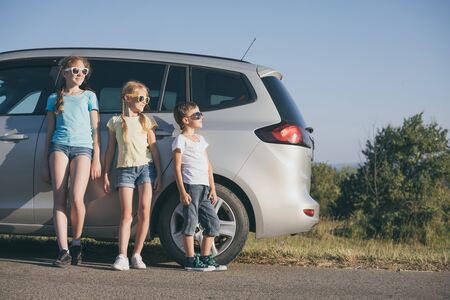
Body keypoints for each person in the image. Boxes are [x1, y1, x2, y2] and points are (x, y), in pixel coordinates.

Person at [42, 56, 102, 267]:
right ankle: (63, 250)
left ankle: (76, 242)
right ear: (65, 72)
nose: (79, 74)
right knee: (59, 198)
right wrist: (44, 163)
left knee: (77, 197)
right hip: (58, 147)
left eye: (84, 71)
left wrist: (97, 159)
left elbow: (96, 130)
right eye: (75, 70)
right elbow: (49, 132)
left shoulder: (89, 96)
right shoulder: (54, 98)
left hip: (83, 148)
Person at [103, 81, 162, 271]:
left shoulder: (146, 120)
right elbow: (110, 150)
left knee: (145, 211)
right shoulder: (115, 122)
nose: (145, 102)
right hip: (125, 170)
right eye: (141, 98)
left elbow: (153, 148)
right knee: (126, 214)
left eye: (147, 99)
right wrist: (105, 173)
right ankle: (122, 256)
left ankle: (137, 254)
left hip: (146, 169)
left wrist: (159, 173)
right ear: (127, 98)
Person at [172, 101, 227, 271]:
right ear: (186, 120)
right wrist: (182, 191)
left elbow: (208, 165)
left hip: (204, 187)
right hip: (191, 186)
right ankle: (190, 259)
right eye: (197, 115)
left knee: (213, 223)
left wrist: (213, 188)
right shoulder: (181, 140)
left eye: (201, 113)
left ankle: (205, 258)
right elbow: (177, 167)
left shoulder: (201, 139)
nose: (201, 116)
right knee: (190, 222)